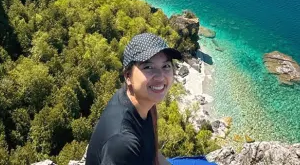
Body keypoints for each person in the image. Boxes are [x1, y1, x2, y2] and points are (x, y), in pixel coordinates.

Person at [86, 32, 216, 165]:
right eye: (148, 67)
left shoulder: (140, 99)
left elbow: (153, 153)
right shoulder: (121, 143)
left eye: (166, 66)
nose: (160, 77)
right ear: (128, 76)